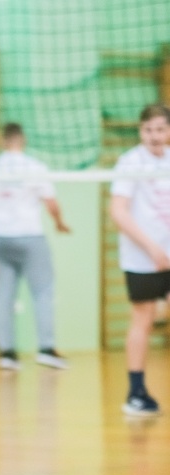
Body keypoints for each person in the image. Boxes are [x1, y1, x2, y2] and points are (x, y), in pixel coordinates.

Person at [0, 123, 70, 371]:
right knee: (43, 292)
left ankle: (7, 353)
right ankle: (46, 349)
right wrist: (59, 223)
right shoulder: (35, 167)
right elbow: (52, 204)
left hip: (2, 239)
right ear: (22, 140)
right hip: (31, 237)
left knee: (4, 296)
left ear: (3, 141)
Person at [110, 103, 170, 417]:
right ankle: (135, 393)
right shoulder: (130, 162)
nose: (154, 136)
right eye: (148, 130)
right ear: (140, 131)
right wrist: (151, 248)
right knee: (142, 319)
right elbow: (118, 211)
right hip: (142, 258)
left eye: (160, 129)